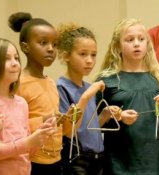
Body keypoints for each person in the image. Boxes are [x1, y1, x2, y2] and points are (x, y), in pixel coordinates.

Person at [95, 18, 159, 175]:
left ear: (147, 44)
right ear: (118, 46)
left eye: (141, 39)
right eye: (129, 40)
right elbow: (92, 125)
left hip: (154, 164)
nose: (137, 44)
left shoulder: (158, 80)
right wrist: (116, 116)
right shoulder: (106, 80)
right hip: (118, 165)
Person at [0, 38, 57, 175]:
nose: (15, 64)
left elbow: (27, 151)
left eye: (16, 58)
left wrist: (41, 135)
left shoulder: (21, 103)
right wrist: (27, 142)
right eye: (6, 59)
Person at [56, 23, 123, 175]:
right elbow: (70, 130)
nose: (89, 60)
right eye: (83, 54)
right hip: (77, 160)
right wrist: (86, 97)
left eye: (93, 55)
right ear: (66, 55)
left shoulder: (88, 87)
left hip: (98, 158)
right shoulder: (61, 87)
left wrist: (104, 116)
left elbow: (87, 128)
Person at [8, 12, 62, 175]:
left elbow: (60, 129)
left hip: (55, 159)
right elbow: (12, 127)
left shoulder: (51, 82)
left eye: (54, 44)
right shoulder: (18, 83)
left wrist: (67, 118)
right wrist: (44, 120)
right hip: (31, 161)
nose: (51, 49)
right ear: (25, 47)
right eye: (43, 43)